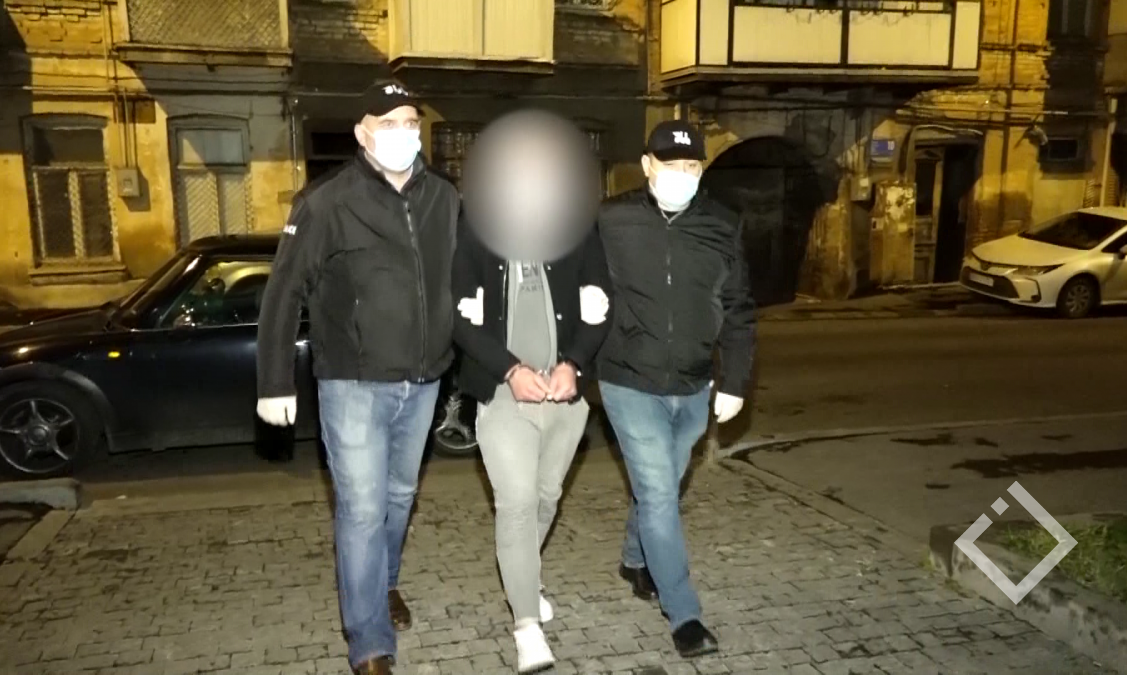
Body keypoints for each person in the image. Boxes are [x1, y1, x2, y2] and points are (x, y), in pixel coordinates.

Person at [254, 80, 459, 675]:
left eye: (411, 122)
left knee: (399, 498)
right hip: (353, 383)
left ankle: (383, 583)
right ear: (362, 134)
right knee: (363, 510)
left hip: (424, 380)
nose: (403, 133)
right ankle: (369, 642)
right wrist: (273, 382)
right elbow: (283, 292)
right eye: (388, 123)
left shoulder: (443, 196)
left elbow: (461, 277)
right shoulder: (326, 202)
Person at [595, 119, 757, 658]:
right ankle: (684, 615)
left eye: (692, 166)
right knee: (661, 493)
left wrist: (735, 381)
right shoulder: (611, 219)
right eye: (671, 165)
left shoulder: (722, 223)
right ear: (647, 166)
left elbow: (738, 308)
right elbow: (577, 279)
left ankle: (634, 559)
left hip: (693, 383)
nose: (682, 175)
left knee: (660, 483)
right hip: (628, 377)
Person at [452, 218, 612, 673]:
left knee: (546, 498)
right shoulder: (476, 230)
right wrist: (509, 369)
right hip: (503, 394)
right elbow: (457, 316)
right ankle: (526, 627)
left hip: (563, 396)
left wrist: (573, 364)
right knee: (518, 504)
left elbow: (600, 305)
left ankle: (524, 575)